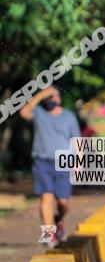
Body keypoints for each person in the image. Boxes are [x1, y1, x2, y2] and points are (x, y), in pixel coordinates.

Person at [21, 87, 80, 248]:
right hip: (42, 161)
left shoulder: (68, 117)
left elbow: (77, 141)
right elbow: (24, 112)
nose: (50, 99)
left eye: (52, 96)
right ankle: (48, 235)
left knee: (63, 203)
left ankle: (58, 221)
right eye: (47, 97)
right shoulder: (38, 113)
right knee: (46, 197)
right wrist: (40, 95)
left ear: (59, 98)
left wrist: (78, 163)